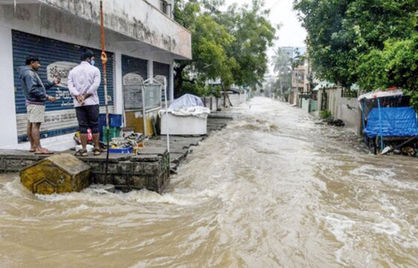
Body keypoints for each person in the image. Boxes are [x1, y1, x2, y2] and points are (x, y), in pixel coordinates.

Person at [18, 55, 59, 154]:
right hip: (35, 103)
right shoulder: (29, 74)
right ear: (32, 63)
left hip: (31, 102)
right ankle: (38, 148)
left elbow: (40, 87)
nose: (39, 65)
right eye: (38, 63)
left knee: (31, 124)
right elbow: (33, 90)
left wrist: (53, 83)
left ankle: (32, 146)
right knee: (35, 125)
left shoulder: (28, 73)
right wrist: (47, 97)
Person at [68, 49, 102, 156]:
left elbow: (70, 86)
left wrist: (78, 96)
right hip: (92, 102)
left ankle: (83, 150)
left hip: (79, 103)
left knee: (82, 127)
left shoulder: (73, 71)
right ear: (88, 59)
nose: (93, 61)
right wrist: (85, 96)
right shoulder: (95, 70)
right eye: (92, 59)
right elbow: (95, 85)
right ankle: (96, 148)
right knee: (95, 125)